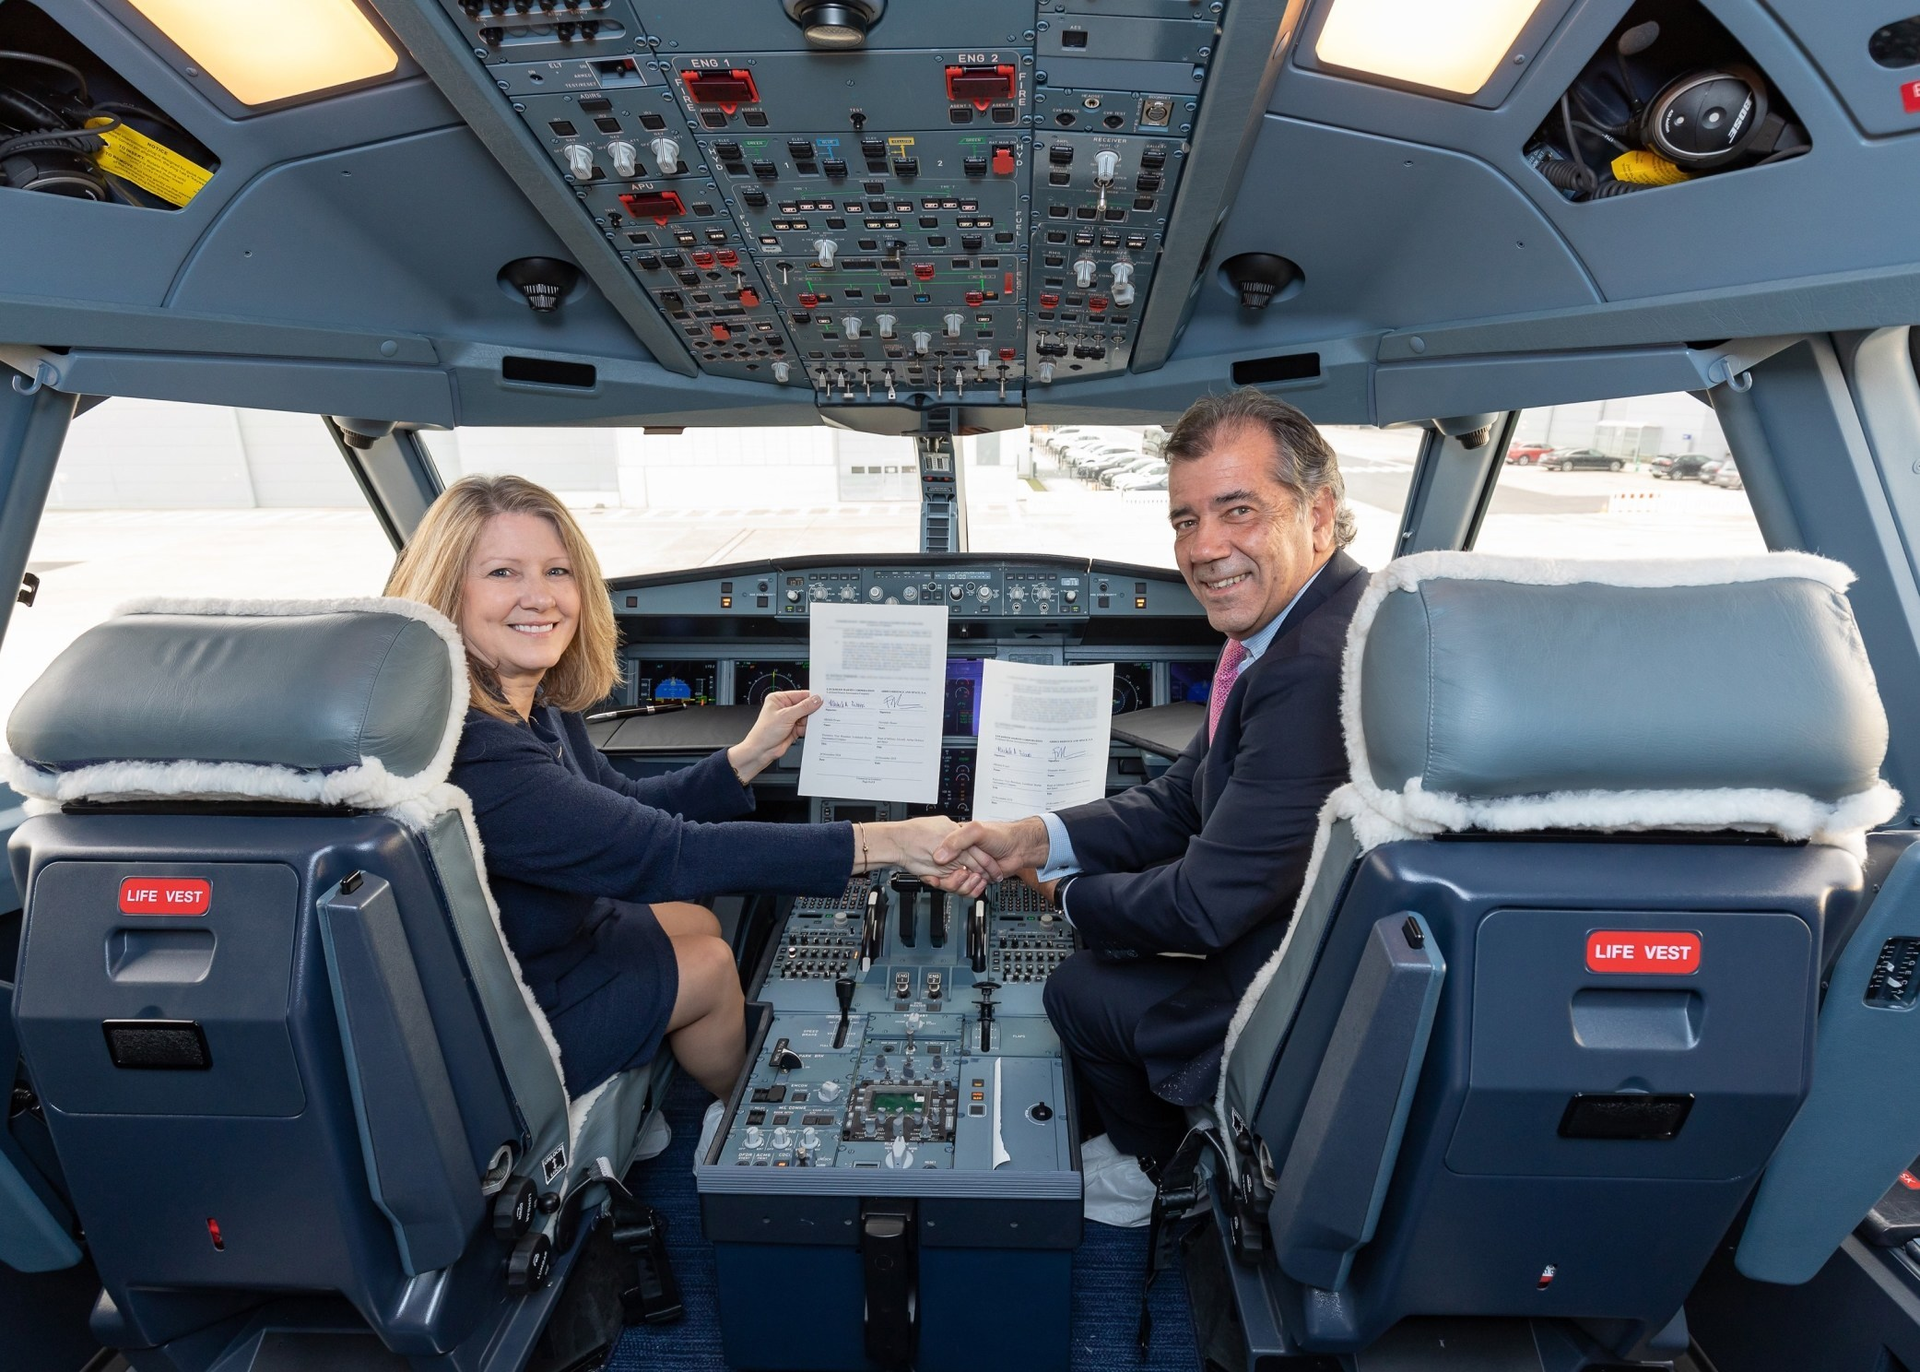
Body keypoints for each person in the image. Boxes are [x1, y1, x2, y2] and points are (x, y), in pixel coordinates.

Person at [385, 474, 967, 1119]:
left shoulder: (535, 708)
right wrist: (890, 842)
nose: (540, 597)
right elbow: (664, 853)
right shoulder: (477, 748)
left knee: (698, 922)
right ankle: (739, 1120)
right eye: (502, 572)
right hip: (508, 1011)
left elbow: (627, 803)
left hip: (533, 943)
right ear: (446, 591)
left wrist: (748, 756)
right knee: (710, 962)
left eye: (557, 570)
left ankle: (657, 1107)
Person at [932, 388, 1369, 1224]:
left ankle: (1160, 1171)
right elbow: (1179, 799)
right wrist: (1033, 837)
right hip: (1311, 929)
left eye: (1237, 510)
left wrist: (1062, 896)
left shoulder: (1311, 668)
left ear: (1318, 514)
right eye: (1184, 520)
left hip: (1304, 981)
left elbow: (1204, 908)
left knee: (1081, 992)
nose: (1203, 548)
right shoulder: (1291, 631)